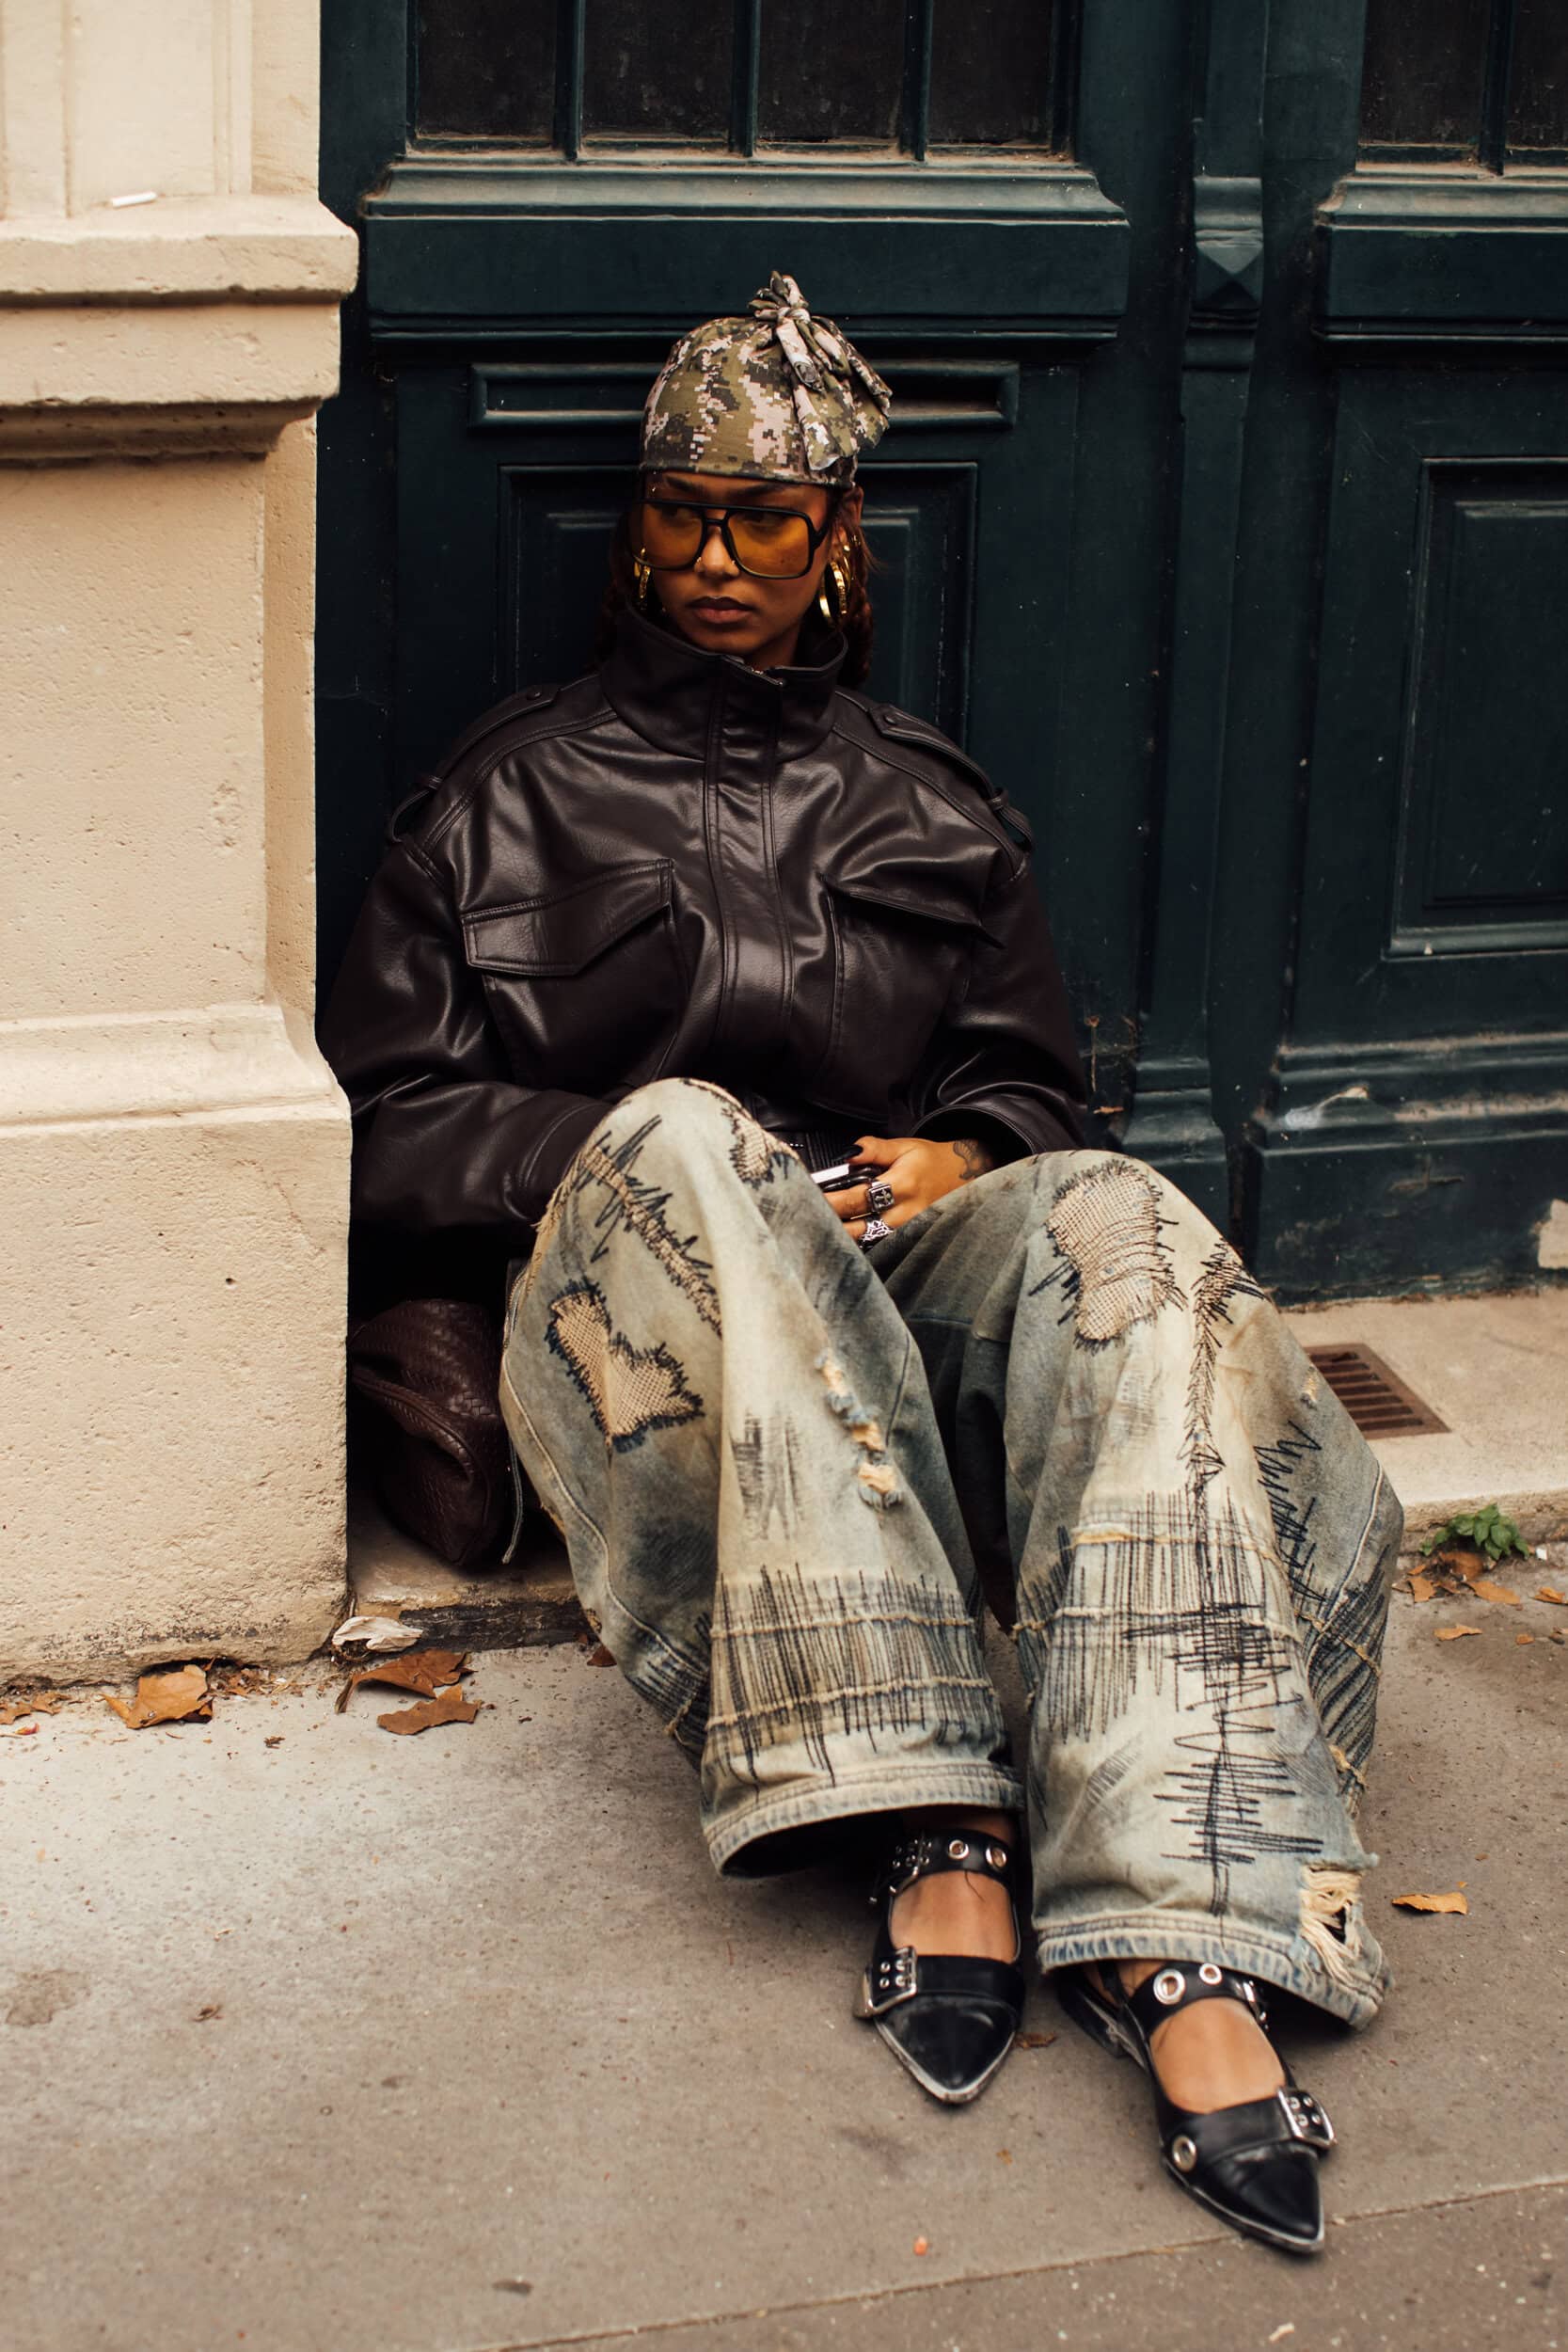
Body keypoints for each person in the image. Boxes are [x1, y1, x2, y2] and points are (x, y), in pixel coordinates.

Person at [322, 273, 1402, 2257]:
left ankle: (1181, 1906)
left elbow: (1033, 1090)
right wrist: (660, 1153)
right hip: (644, 1322)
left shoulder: (929, 806)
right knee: (685, 1131)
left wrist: (966, 1150)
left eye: (761, 520)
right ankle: (932, 1812)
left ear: (837, 538)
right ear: (633, 527)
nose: (713, 559)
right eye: (679, 513)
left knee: (1124, 1218)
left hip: (885, 1305)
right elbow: (383, 1130)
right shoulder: (499, 797)